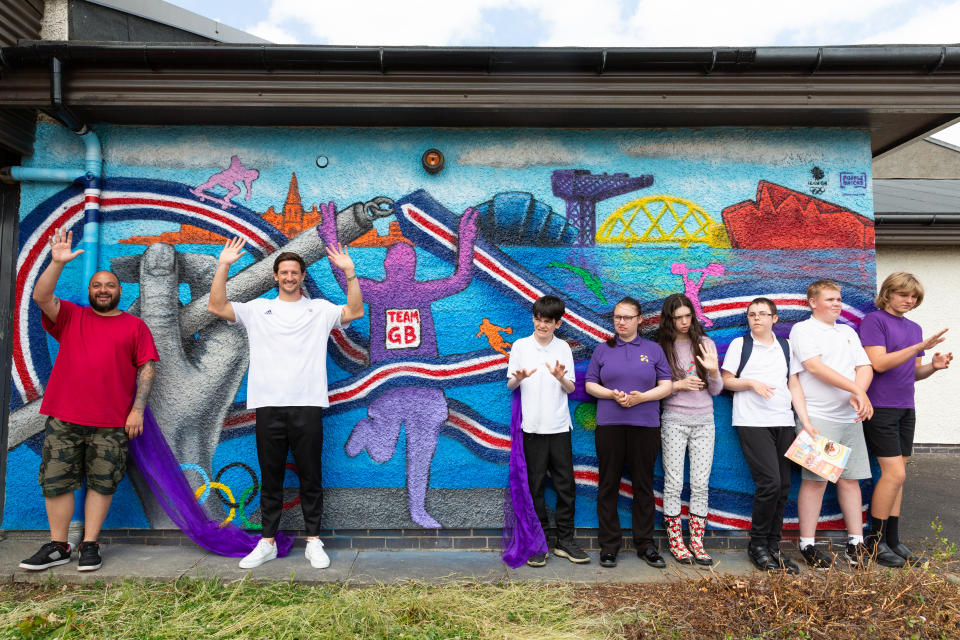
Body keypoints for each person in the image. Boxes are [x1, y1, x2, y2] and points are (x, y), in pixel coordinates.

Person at [208, 237, 363, 569]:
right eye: (284, 272)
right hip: (268, 407)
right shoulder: (258, 310)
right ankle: (267, 542)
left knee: (311, 476)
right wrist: (223, 265)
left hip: (307, 405)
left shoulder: (319, 309)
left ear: (302, 276)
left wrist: (350, 273)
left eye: (295, 272)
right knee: (272, 476)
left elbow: (355, 311)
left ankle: (313, 542)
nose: (289, 277)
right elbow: (217, 307)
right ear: (276, 277)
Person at [19, 228, 159, 572]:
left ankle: (90, 544)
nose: (102, 290)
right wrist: (56, 263)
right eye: (96, 285)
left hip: (112, 421)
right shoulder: (71, 316)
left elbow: (148, 367)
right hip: (64, 417)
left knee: (102, 481)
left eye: (109, 285)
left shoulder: (134, 326)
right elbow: (41, 296)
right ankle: (58, 546)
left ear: (119, 291)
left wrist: (137, 410)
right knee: (56, 481)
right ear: (89, 291)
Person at [859, 273, 952, 567]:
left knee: (900, 476)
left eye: (913, 297)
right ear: (888, 294)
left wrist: (933, 368)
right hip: (880, 408)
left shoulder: (914, 328)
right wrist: (917, 347)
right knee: (894, 474)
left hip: (905, 408)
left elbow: (912, 373)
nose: (909, 301)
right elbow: (879, 363)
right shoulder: (874, 321)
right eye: (903, 295)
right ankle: (873, 544)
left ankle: (893, 541)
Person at [721, 297, 816, 574]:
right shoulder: (741, 345)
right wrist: (750, 382)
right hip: (751, 422)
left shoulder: (785, 346)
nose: (757, 318)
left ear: (775, 318)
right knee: (770, 483)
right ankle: (758, 545)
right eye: (752, 314)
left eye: (763, 314)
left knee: (784, 486)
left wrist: (805, 422)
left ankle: (773, 546)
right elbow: (726, 380)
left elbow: (793, 384)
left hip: (783, 422)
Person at [789, 280, 874, 569]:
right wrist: (858, 391)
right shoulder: (803, 330)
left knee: (851, 480)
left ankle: (856, 543)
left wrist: (857, 392)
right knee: (816, 481)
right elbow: (813, 366)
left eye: (839, 299)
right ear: (813, 302)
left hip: (849, 418)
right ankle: (807, 544)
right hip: (818, 419)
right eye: (830, 299)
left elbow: (864, 367)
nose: (837, 304)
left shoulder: (848, 332)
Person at [585, 297, 673, 568]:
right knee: (608, 484)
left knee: (643, 485)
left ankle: (645, 544)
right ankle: (609, 546)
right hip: (610, 425)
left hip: (645, 425)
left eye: (626, 317)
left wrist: (642, 398)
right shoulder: (603, 350)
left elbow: (667, 385)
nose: (621, 322)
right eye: (617, 317)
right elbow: (590, 385)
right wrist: (612, 394)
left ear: (639, 320)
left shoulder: (654, 349)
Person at [507, 295, 589, 567]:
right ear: (533, 318)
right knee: (535, 487)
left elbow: (570, 388)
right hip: (531, 428)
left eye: (547, 321)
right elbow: (510, 385)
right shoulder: (520, 345)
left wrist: (560, 377)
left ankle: (565, 541)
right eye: (538, 319)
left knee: (566, 486)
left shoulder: (563, 347)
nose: (541, 325)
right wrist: (517, 379)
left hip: (559, 427)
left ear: (558, 323)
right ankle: (538, 543)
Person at [656, 293, 723, 566]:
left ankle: (697, 542)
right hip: (673, 420)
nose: (684, 322)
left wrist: (714, 371)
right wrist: (678, 385)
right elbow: (656, 392)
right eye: (678, 317)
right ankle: (676, 543)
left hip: (705, 421)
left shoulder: (705, 344)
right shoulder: (661, 347)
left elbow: (717, 390)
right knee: (672, 484)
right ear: (669, 319)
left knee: (700, 485)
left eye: (687, 316)